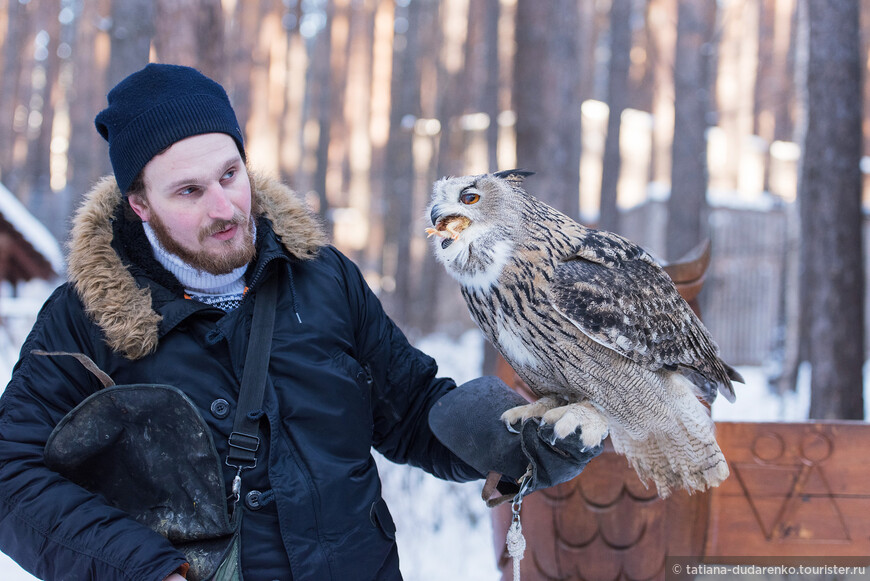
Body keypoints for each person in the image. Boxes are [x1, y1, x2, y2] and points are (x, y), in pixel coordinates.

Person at [0, 63, 599, 581]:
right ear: (139, 204)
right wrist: (140, 566)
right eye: (188, 191)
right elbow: (10, 478)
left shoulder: (324, 277)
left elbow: (413, 411)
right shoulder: (84, 321)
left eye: (230, 174)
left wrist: (512, 436)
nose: (225, 207)